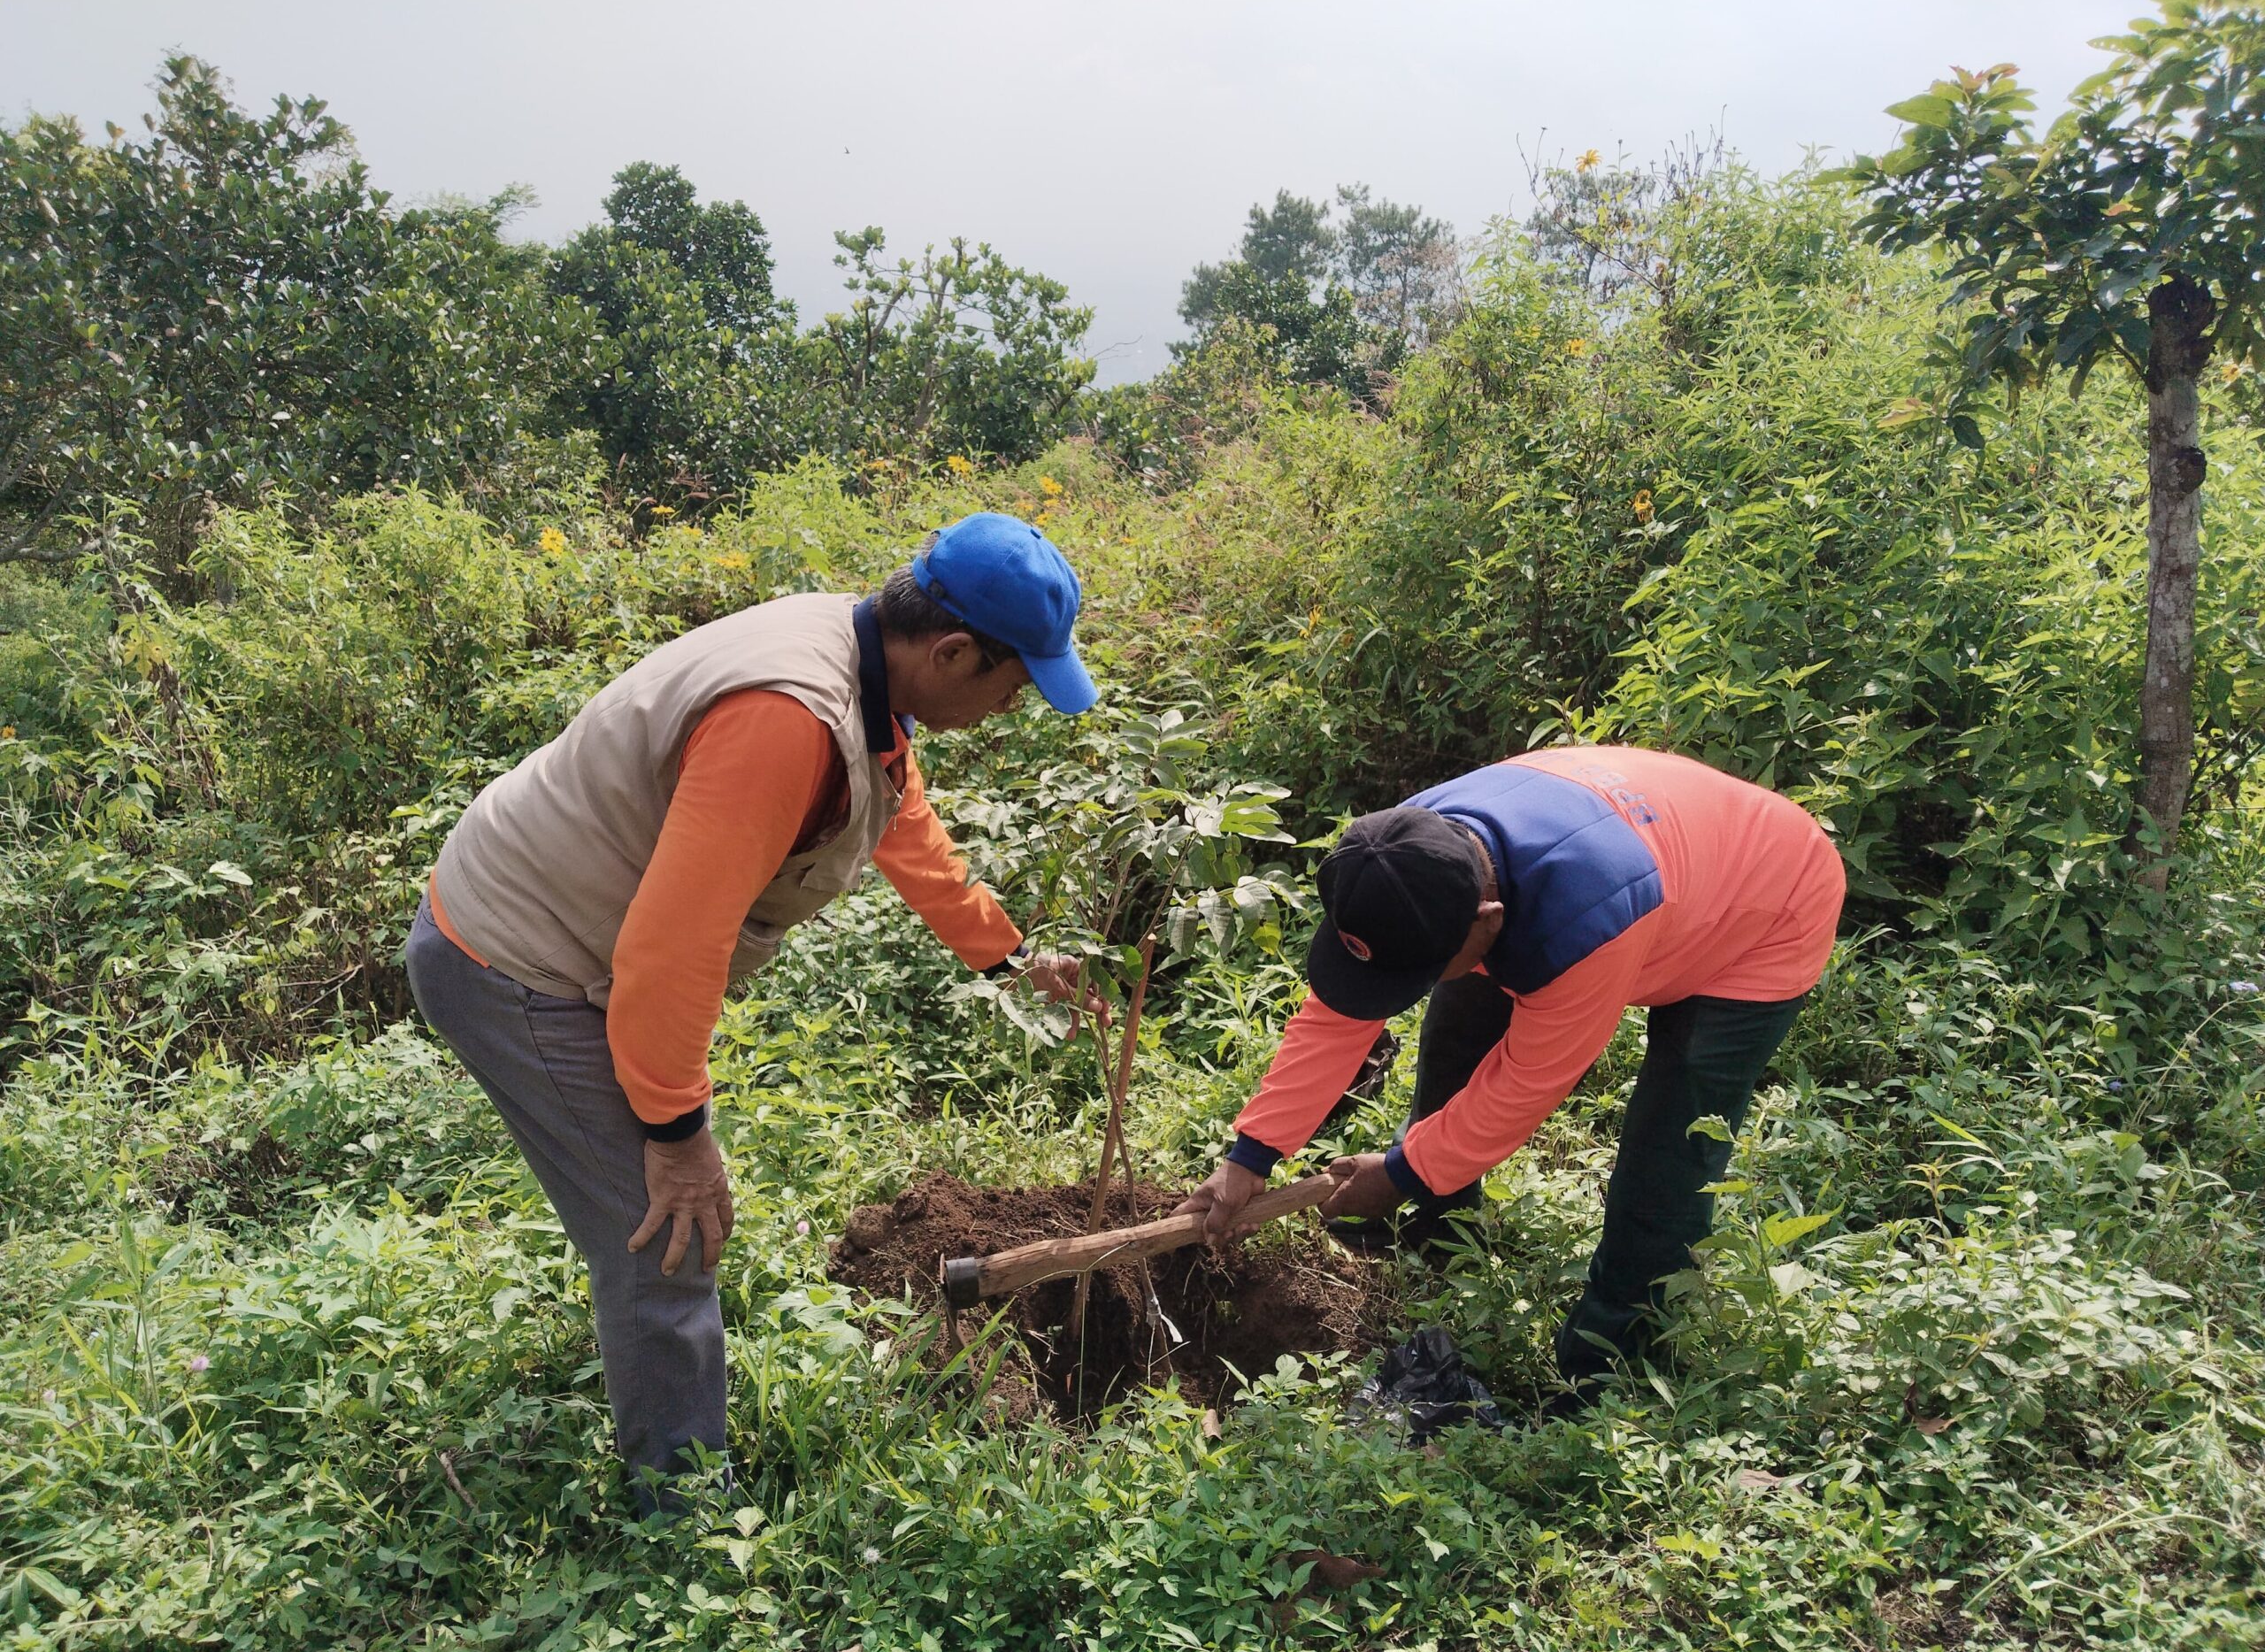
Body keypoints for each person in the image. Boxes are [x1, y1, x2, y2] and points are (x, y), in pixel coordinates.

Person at [404, 512, 1101, 1509]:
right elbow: (670, 951)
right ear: (950, 651)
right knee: (668, 1236)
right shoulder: (788, 717)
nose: (1009, 708)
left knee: (650, 1219)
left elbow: (897, 814)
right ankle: (686, 1521)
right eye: (1012, 684)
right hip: (519, 962)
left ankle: (654, 1396)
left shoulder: (862, 660)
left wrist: (1007, 954)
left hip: (564, 933)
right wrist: (677, 1133)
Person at [1174, 746, 1845, 1405]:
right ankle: (1440, 1228)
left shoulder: (1585, 920)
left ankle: (1614, 1368)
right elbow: (1340, 1013)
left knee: (1671, 1143)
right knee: (1456, 1032)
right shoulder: (1402, 856)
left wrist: (1400, 1172)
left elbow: (1526, 1083)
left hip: (1765, 906)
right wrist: (1251, 1155)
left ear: (1488, 919)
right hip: (1656, 849)